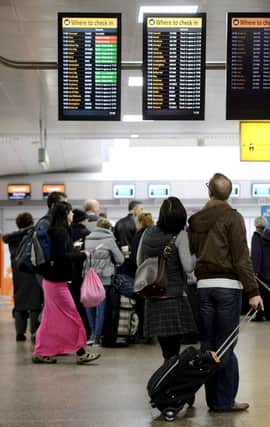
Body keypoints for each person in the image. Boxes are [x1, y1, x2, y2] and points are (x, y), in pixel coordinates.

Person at [188, 172, 263, 413]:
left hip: (203, 288)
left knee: (208, 344)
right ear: (229, 194)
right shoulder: (233, 218)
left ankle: (211, 399)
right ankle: (223, 401)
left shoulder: (196, 220)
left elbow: (192, 253)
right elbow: (242, 257)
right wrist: (253, 291)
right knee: (226, 345)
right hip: (227, 288)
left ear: (209, 191)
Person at [32, 202, 100, 364]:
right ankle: (81, 352)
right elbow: (62, 257)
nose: (72, 215)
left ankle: (40, 351)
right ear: (65, 213)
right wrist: (82, 254)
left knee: (49, 318)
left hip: (51, 281)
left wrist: (73, 252)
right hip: (57, 283)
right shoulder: (61, 232)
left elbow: (59, 254)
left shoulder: (54, 230)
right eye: (70, 212)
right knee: (73, 316)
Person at [138, 197, 197, 360]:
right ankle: (171, 380)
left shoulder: (147, 232)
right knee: (174, 351)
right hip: (173, 298)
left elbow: (139, 262)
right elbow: (188, 267)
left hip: (153, 297)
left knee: (166, 350)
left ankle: (167, 376)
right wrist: (196, 255)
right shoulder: (180, 235)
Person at [2, 212, 43, 343]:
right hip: (31, 270)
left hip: (18, 272)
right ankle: (34, 333)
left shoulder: (12, 238)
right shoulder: (33, 234)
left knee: (20, 303)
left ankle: (20, 334)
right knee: (35, 303)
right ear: (31, 222)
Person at [85, 218, 125, 346]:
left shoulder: (88, 238)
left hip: (89, 277)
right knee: (101, 308)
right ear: (109, 228)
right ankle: (97, 337)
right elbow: (120, 259)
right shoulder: (109, 240)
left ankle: (91, 334)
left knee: (89, 306)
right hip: (104, 278)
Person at [70, 209, 91, 338]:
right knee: (84, 303)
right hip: (83, 272)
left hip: (69, 272)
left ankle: (74, 330)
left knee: (73, 302)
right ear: (83, 220)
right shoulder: (86, 233)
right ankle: (86, 331)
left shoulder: (67, 232)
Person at [251, 216, 270, 320]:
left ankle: (260, 314)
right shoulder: (269, 234)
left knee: (259, 292)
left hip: (262, 270)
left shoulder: (256, 236)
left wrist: (255, 270)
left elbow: (256, 254)